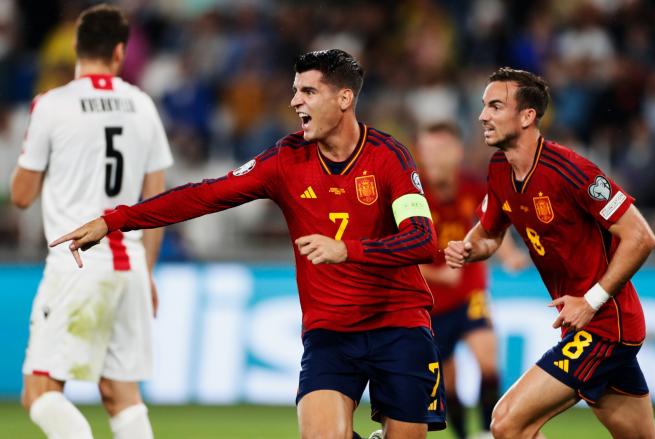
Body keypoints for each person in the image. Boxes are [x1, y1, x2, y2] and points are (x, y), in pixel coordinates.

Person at [51, 49, 446, 439]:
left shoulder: (389, 157)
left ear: (344, 99)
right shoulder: (285, 160)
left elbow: (423, 240)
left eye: (308, 92)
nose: (294, 101)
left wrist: (348, 250)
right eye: (295, 90)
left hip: (399, 323)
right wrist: (114, 220)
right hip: (331, 332)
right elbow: (204, 195)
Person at [444, 67, 655, 439]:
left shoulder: (570, 171)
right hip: (583, 326)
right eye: (483, 106)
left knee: (507, 421)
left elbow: (641, 237)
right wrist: (467, 248)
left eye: (495, 106)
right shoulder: (499, 169)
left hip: (607, 325)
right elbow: (490, 235)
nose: (482, 116)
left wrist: (591, 301)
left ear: (527, 116)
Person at [11, 4, 173, 439]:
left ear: (77, 48)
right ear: (120, 52)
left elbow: (21, 196)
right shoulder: (142, 105)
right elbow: (157, 201)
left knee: (40, 392)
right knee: (122, 396)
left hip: (76, 264)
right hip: (131, 265)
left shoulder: (52, 104)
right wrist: (150, 272)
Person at [415, 122, 527, 439]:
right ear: (420, 153)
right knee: (448, 380)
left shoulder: (473, 186)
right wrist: (438, 274)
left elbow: (491, 226)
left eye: (441, 148)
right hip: (430, 304)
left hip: (470, 292)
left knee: (487, 360)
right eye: (429, 149)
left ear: (457, 151)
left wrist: (509, 255)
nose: (434, 156)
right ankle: (466, 436)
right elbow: (399, 252)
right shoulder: (412, 193)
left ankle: (487, 430)